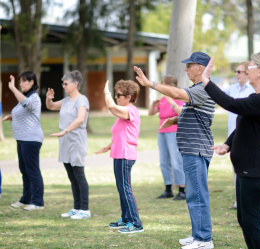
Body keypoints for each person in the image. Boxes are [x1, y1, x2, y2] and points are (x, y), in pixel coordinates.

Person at [202, 51, 260, 249]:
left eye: (252, 66)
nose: (247, 69)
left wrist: (207, 80)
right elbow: (243, 124)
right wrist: (228, 143)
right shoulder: (257, 97)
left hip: (256, 171)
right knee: (244, 218)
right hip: (247, 169)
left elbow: (232, 104)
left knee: (253, 222)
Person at [134, 51, 216, 249]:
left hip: (196, 149)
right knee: (193, 194)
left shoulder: (204, 88)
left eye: (189, 65)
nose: (186, 69)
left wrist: (150, 84)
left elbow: (178, 95)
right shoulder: (198, 88)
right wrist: (176, 119)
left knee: (197, 195)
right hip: (191, 148)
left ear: (200, 68)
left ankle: (204, 239)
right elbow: (197, 114)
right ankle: (198, 234)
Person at [96, 79, 144, 234]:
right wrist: (108, 146)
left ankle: (136, 223)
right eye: (115, 94)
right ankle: (125, 218)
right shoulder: (123, 113)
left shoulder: (131, 111)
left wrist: (106, 92)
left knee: (125, 188)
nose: (116, 97)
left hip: (125, 155)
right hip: (118, 154)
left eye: (119, 95)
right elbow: (120, 134)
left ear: (129, 97)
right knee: (121, 188)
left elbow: (110, 106)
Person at [46, 70, 91, 220]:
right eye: (63, 83)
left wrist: (65, 131)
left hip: (76, 141)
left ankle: (85, 209)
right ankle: (77, 207)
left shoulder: (82, 100)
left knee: (79, 175)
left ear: (75, 84)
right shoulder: (66, 101)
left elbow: (80, 119)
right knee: (72, 176)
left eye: (66, 83)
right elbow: (51, 106)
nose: (63, 86)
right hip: (65, 142)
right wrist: (48, 99)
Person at [3, 71, 44, 210]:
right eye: (19, 82)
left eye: (23, 81)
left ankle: (37, 202)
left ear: (32, 82)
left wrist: (13, 88)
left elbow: (27, 105)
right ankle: (26, 199)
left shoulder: (34, 97)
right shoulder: (26, 96)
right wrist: (13, 117)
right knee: (24, 170)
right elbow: (27, 113)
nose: (20, 84)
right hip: (22, 139)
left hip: (31, 139)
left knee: (32, 170)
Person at [148, 75, 185, 200]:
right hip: (162, 131)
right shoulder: (162, 99)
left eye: (163, 84)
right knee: (164, 160)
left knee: (176, 160)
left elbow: (181, 112)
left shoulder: (178, 97)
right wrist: (153, 105)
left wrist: (170, 100)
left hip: (173, 131)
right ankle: (168, 188)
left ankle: (182, 189)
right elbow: (151, 113)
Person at [225, 61, 255, 209]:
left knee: (248, 170)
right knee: (236, 170)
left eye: (239, 72)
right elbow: (218, 96)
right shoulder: (232, 89)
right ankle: (238, 202)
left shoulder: (253, 91)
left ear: (248, 73)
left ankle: (249, 201)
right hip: (233, 136)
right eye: (235, 71)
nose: (236, 74)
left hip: (248, 137)